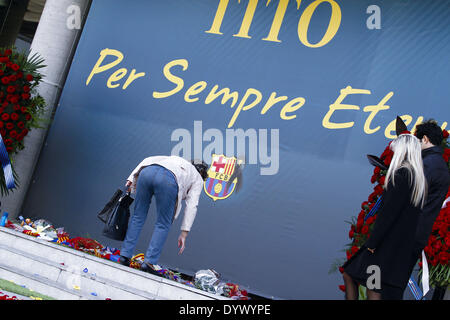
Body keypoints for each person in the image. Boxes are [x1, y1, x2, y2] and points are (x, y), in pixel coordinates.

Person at [342, 134, 427, 300]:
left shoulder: (400, 176)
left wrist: (373, 242)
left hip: (384, 245)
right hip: (399, 246)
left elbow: (388, 214)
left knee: (367, 283)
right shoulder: (417, 180)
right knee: (372, 284)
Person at [118, 155, 208, 275]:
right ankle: (149, 262)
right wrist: (184, 233)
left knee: (138, 216)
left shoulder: (176, 159)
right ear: (203, 174)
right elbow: (192, 206)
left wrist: (130, 178)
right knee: (163, 224)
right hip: (168, 180)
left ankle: (124, 255)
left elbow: (148, 160)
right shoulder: (198, 178)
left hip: (147, 172)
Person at [404, 120, 450, 295]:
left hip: (409, 231)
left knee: (390, 282)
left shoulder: (427, 164)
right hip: (421, 232)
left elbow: (412, 197)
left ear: (424, 139)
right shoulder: (441, 165)